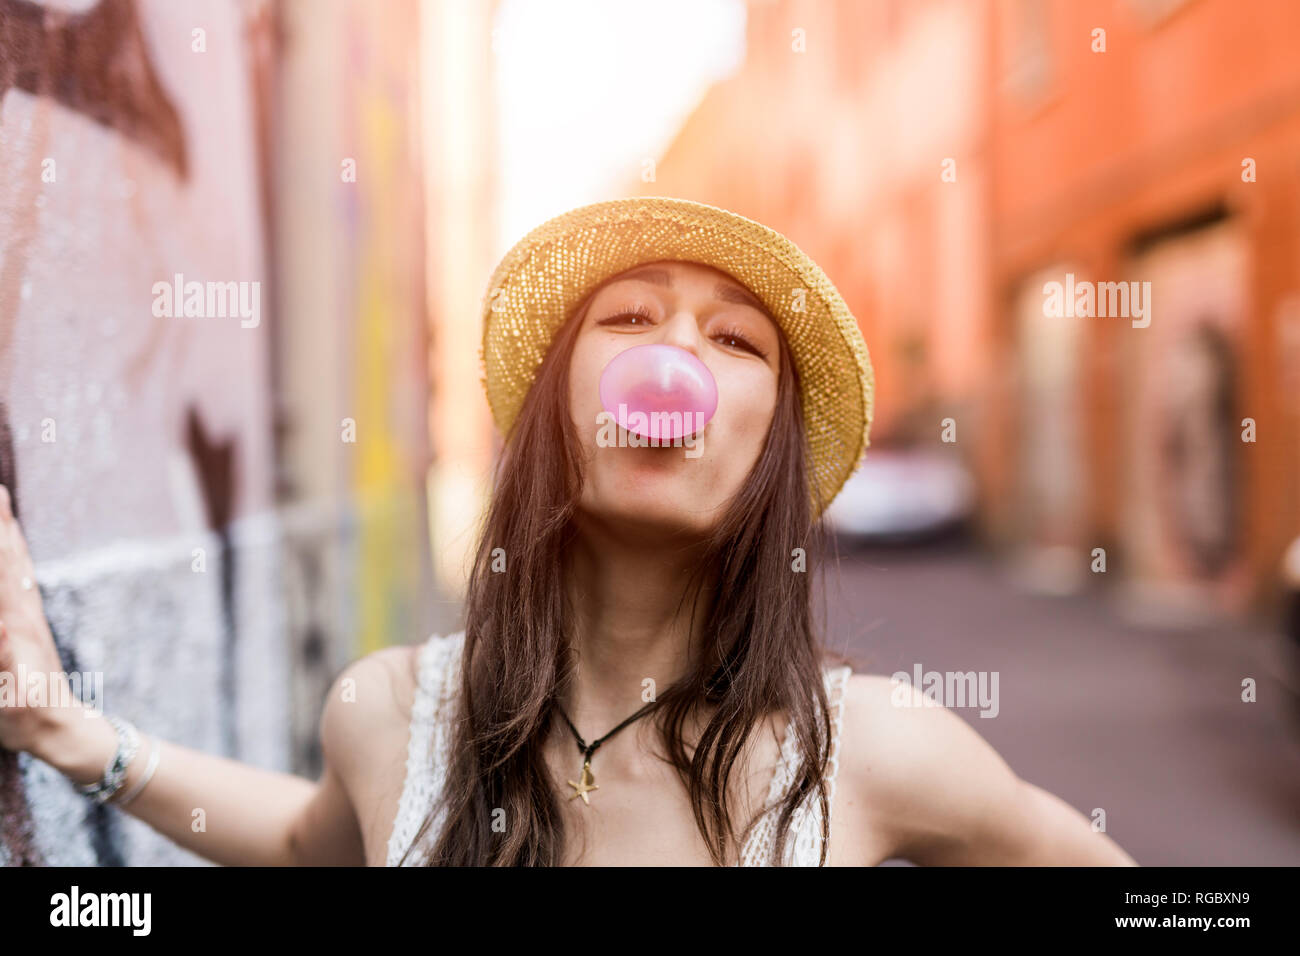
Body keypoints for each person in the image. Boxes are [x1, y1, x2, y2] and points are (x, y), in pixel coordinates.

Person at [0, 197, 1137, 866]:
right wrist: (66, 732)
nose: (674, 358)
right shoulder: (389, 711)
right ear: (561, 409)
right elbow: (310, 845)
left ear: (768, 453)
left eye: (736, 341)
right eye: (632, 318)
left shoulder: (873, 752)